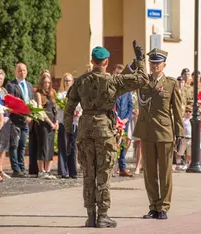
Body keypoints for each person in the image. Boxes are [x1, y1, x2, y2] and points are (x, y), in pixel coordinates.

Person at [64, 42, 149, 228]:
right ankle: (103, 215)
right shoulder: (113, 81)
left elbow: (69, 109)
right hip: (104, 130)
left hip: (85, 130)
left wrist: (69, 133)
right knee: (103, 173)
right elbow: (142, 79)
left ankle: (91, 215)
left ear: (92, 61)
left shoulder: (80, 81)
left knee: (88, 173)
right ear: (106, 62)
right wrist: (140, 60)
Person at [133, 48, 184, 220]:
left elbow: (177, 111)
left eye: (158, 63)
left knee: (165, 172)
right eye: (152, 63)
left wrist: (180, 133)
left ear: (164, 65)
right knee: (149, 172)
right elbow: (126, 79)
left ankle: (164, 207)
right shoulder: (143, 81)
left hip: (164, 133)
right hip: (147, 132)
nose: (154, 66)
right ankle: (153, 206)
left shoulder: (171, 84)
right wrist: (136, 62)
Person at [6, 63, 34, 177]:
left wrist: (31, 116)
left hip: (27, 120)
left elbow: (32, 103)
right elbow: (13, 104)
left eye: (24, 70)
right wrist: (24, 116)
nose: (22, 72)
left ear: (26, 72)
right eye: (19, 70)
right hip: (15, 120)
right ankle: (16, 169)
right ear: (15, 72)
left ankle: (22, 167)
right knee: (14, 145)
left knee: (22, 145)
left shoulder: (29, 85)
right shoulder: (11, 85)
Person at [35, 71, 58, 179]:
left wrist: (56, 122)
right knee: (43, 146)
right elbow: (40, 110)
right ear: (41, 83)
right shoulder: (39, 94)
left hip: (53, 123)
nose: (47, 85)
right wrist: (50, 122)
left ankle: (48, 171)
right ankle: (41, 171)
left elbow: (55, 109)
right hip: (43, 123)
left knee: (50, 147)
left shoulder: (52, 93)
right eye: (45, 82)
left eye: (48, 82)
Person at [57, 72, 79, 179]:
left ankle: (72, 171)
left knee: (73, 147)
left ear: (72, 82)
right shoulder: (60, 95)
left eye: (69, 80)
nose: (67, 82)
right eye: (65, 80)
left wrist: (77, 112)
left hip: (74, 123)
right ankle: (63, 171)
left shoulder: (75, 94)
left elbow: (80, 107)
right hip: (64, 123)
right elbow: (58, 109)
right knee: (63, 147)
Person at [113, 64, 134, 177]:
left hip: (124, 122)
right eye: (117, 74)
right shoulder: (111, 88)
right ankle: (111, 168)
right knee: (112, 145)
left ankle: (122, 168)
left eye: (121, 75)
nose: (119, 76)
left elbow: (130, 106)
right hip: (114, 121)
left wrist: (126, 119)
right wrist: (116, 119)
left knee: (123, 144)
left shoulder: (127, 90)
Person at [0, 69, 11, 181]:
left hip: (5, 121)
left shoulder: (4, 90)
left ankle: (0, 169)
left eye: (1, 78)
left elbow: (9, 105)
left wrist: (7, 116)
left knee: (4, 146)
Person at [176, 105, 192, 170]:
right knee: (180, 152)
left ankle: (186, 164)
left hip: (190, 139)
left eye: (190, 111)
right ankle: (178, 164)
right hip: (184, 138)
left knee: (189, 153)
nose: (188, 113)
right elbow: (181, 129)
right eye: (186, 111)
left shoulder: (192, 120)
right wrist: (181, 137)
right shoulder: (183, 120)